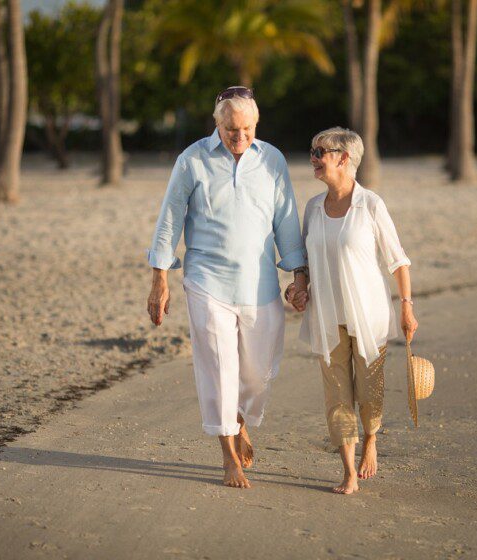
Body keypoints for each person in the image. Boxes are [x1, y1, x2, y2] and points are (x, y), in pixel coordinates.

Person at [147, 86, 307, 489]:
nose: (239, 138)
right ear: (216, 123)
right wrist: (159, 279)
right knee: (218, 369)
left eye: (247, 129)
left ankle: (240, 420)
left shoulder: (271, 160)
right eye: (231, 129)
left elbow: (286, 219)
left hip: (261, 284)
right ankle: (228, 457)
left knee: (257, 374)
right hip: (206, 281)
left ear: (257, 124)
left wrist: (298, 274)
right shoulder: (192, 160)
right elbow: (170, 218)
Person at [286, 127, 418, 495]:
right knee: (336, 398)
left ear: (344, 159)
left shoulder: (371, 205)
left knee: (369, 394)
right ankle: (347, 470)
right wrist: (298, 286)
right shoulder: (313, 207)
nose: (313, 158)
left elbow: (398, 262)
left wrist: (407, 308)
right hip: (327, 316)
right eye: (312, 150)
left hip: (369, 315)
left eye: (320, 152)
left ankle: (371, 438)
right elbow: (305, 263)